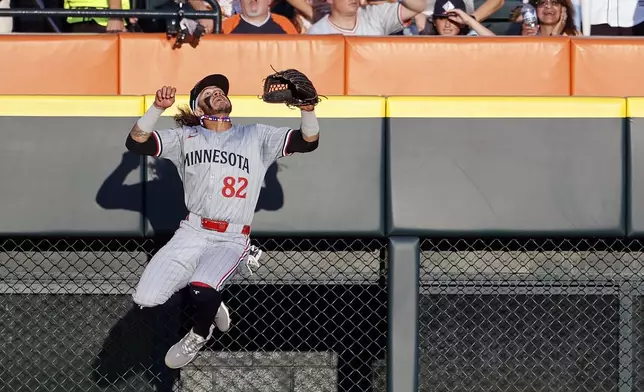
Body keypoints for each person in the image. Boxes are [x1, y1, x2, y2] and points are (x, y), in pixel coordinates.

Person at [124, 73, 320, 369]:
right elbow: (137, 142)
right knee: (146, 299)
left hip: (231, 236)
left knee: (201, 286)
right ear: (198, 108)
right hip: (192, 231)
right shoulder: (184, 138)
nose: (217, 93)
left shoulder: (256, 135)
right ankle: (212, 300)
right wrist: (156, 109)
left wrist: (307, 109)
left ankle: (200, 333)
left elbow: (308, 142)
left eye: (220, 91)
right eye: (208, 92)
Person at [418, 0, 495, 35]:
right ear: (434, 21)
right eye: (442, 18)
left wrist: (469, 20)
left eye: (453, 20)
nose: (447, 25)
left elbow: (498, 45)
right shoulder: (426, 41)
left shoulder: (471, 38)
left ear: (462, 23)